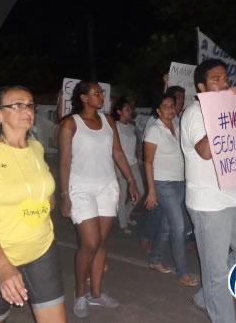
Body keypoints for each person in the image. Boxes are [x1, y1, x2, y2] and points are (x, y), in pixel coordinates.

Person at [0, 85, 65, 323]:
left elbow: (46, 197)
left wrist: (40, 205)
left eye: (30, 104)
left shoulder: (37, 148)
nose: (26, 109)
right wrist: (3, 267)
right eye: (17, 105)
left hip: (41, 250)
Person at [181, 59, 236, 323]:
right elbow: (205, 151)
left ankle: (205, 296)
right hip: (210, 205)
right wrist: (226, 112)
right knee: (216, 271)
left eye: (225, 78)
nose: (224, 83)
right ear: (201, 86)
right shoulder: (194, 113)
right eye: (216, 79)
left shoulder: (234, 113)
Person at [59, 81, 139, 318]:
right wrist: (64, 194)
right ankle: (79, 293)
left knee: (102, 243)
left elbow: (117, 152)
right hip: (80, 187)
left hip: (107, 186)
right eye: (96, 93)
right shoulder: (70, 123)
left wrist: (131, 179)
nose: (101, 97)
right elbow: (64, 161)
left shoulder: (108, 121)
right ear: (83, 98)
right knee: (90, 243)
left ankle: (96, 293)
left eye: (102, 93)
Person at [144, 93, 198, 286]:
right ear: (158, 111)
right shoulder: (154, 130)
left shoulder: (177, 126)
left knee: (168, 226)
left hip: (179, 183)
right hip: (162, 183)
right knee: (178, 226)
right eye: (165, 106)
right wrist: (151, 190)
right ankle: (182, 272)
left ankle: (155, 259)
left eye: (172, 105)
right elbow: (148, 161)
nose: (170, 108)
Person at [111, 96, 144, 234]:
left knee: (140, 192)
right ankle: (123, 223)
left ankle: (126, 214)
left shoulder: (131, 127)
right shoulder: (115, 127)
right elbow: (114, 149)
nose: (130, 111)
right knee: (123, 193)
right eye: (126, 109)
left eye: (130, 109)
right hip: (120, 165)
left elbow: (135, 144)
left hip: (133, 163)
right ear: (119, 111)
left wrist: (138, 156)